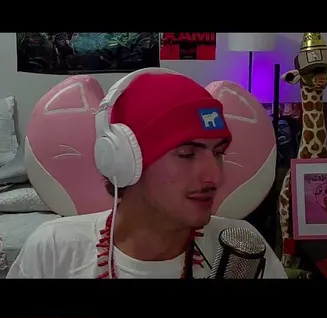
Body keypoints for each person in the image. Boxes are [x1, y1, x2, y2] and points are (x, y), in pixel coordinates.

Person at [8, 69, 287, 279]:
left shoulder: (243, 247)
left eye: (218, 153)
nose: (216, 177)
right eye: (187, 154)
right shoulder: (54, 250)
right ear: (125, 160)